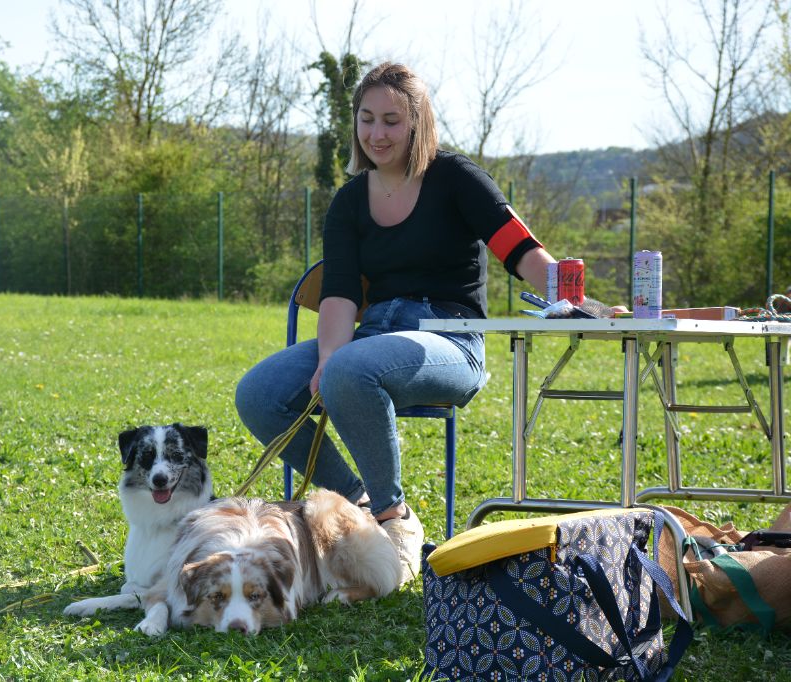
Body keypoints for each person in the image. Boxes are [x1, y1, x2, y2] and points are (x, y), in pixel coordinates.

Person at [235, 62, 607, 585]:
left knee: (350, 369)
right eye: (367, 119)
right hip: (374, 338)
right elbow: (340, 292)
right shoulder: (348, 201)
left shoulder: (455, 177)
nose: (377, 133)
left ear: (417, 123)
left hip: (450, 340)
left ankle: (394, 521)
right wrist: (325, 360)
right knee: (259, 393)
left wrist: (576, 299)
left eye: (391, 120)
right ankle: (358, 506)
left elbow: (519, 248)